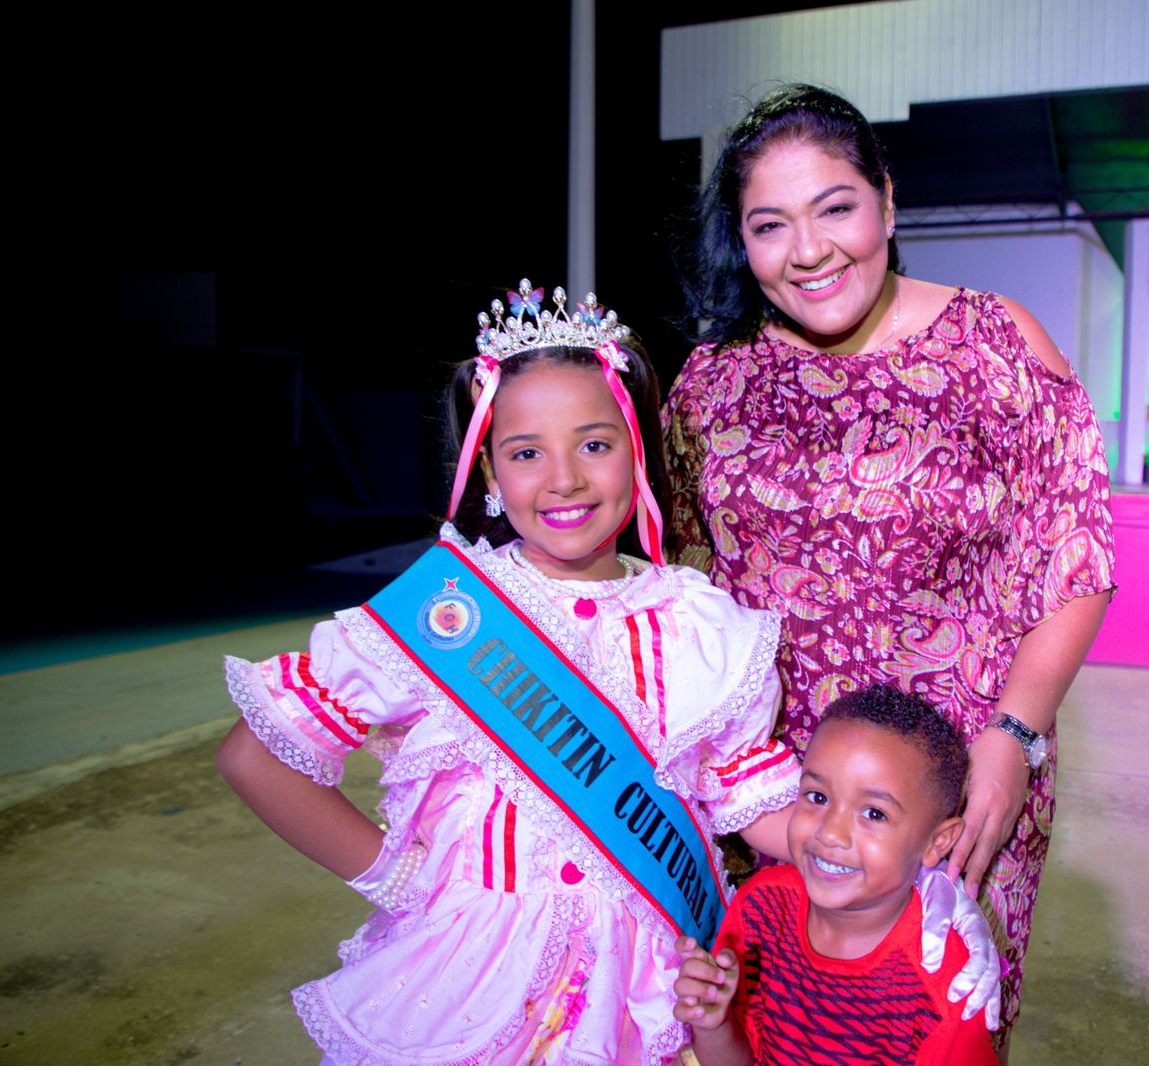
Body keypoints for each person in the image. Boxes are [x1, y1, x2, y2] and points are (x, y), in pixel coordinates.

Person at [216, 281, 996, 1065]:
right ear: (488, 473)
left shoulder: (699, 624)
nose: (565, 479)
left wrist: (914, 886)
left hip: (636, 982)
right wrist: (398, 878)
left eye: (594, 444)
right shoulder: (445, 613)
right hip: (464, 972)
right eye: (526, 453)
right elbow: (253, 758)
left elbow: (753, 802)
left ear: (635, 447)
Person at [665, 83, 1117, 1042]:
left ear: (887, 201)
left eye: (837, 208)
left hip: (957, 794)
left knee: (927, 1031)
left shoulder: (997, 345)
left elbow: (1075, 556)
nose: (811, 249)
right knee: (772, 1031)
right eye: (770, 225)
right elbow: (673, 585)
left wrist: (1016, 738)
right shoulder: (712, 385)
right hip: (774, 799)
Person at [672, 685, 996, 1066]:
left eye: (874, 813)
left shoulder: (949, 984)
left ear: (937, 842)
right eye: (817, 797)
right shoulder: (760, 908)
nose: (829, 832)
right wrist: (715, 1024)